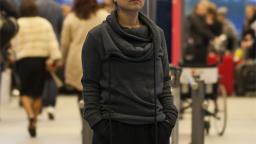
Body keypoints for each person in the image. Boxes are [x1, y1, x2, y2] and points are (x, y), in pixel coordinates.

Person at [82, 0, 178, 144]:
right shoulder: (97, 37)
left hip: (155, 129)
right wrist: (99, 124)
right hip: (113, 130)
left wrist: (169, 119)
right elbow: (90, 85)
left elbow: (164, 82)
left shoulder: (157, 35)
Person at [10, 0, 61, 137]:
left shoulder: (18, 24)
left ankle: (30, 116)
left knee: (25, 92)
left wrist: (12, 57)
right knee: (38, 92)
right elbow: (52, 43)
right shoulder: (44, 23)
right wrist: (55, 59)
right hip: (41, 61)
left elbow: (12, 44)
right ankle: (35, 120)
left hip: (23, 61)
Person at [61, 0, 108, 143]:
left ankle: (85, 125)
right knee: (100, 96)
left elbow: (65, 43)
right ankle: (97, 127)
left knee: (82, 98)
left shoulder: (71, 17)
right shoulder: (103, 15)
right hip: (101, 60)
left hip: (77, 62)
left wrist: (62, 61)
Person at [36, 0, 64, 121]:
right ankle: (51, 106)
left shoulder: (36, 6)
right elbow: (61, 27)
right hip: (54, 43)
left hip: (39, 44)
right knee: (52, 75)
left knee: (39, 75)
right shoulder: (57, 8)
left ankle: (40, 102)